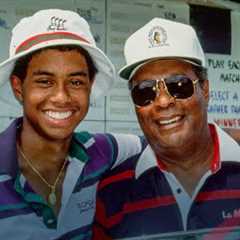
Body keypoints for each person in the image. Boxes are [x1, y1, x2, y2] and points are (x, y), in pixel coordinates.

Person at [0, 9, 143, 240]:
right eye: (45, 81)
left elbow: (157, 142)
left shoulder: (99, 150)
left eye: (75, 82)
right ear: (19, 87)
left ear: (90, 86)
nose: (61, 97)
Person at [93, 18, 240, 239]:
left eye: (178, 85)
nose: (163, 102)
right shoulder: (111, 191)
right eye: (145, 91)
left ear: (205, 89)